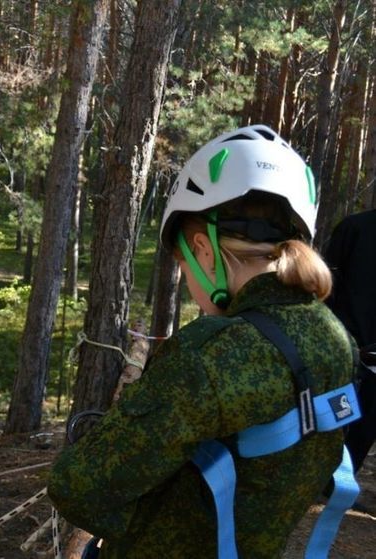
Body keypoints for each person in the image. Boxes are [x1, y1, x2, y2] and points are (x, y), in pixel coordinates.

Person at [48, 125, 360, 558]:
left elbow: (77, 488)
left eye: (183, 262)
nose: (186, 278)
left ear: (204, 248)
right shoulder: (334, 338)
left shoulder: (209, 354)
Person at [325, 210, 376, 474]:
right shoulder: (354, 229)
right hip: (345, 357)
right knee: (334, 424)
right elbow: (324, 287)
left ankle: (337, 486)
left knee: (363, 430)